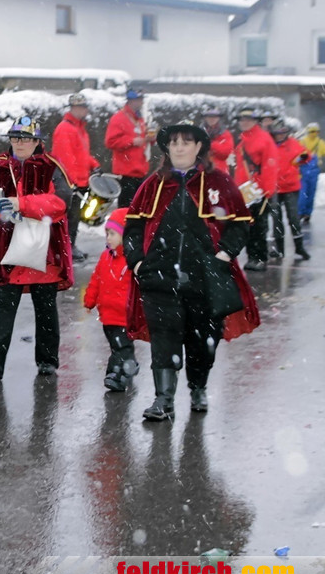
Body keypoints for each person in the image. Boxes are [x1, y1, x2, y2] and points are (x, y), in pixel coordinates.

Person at [124, 121, 260, 421]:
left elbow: (240, 225)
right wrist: (137, 262)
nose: (179, 148)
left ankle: (198, 387)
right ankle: (163, 399)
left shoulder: (219, 182)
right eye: (174, 143)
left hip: (205, 278)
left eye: (186, 142)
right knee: (164, 338)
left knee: (202, 341)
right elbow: (132, 228)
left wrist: (223, 255)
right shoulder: (153, 184)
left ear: (199, 147)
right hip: (159, 278)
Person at [0, 116, 73, 380]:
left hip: (44, 250)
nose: (20, 143)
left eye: (26, 138)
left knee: (46, 308)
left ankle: (47, 360)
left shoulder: (52, 167)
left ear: (37, 141)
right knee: (3, 306)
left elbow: (61, 201)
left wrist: (22, 204)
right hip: (6, 249)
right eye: (15, 138)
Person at [83, 207, 139, 392]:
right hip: (107, 315)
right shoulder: (105, 257)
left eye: (113, 234)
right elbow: (96, 279)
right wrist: (90, 300)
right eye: (107, 233)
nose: (108, 238)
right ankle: (129, 365)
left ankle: (116, 375)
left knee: (121, 347)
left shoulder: (131, 261)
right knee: (117, 346)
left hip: (124, 315)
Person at [51, 92, 100, 262]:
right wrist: (71, 183)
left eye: (85, 107)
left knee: (74, 217)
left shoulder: (80, 130)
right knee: (68, 217)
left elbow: (82, 154)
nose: (85, 110)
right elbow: (64, 159)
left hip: (79, 181)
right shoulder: (65, 129)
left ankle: (69, 246)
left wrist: (94, 165)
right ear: (73, 108)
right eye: (81, 107)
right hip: (70, 183)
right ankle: (65, 249)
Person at [232, 109, 278, 271]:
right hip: (245, 191)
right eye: (242, 119)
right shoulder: (242, 139)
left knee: (259, 226)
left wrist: (267, 190)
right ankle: (252, 256)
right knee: (248, 225)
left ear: (255, 121)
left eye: (248, 119)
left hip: (258, 190)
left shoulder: (263, 139)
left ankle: (260, 258)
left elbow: (270, 165)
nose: (244, 122)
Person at [268, 121, 311, 261]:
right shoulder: (269, 144)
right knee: (276, 219)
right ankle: (279, 248)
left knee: (293, 218)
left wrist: (300, 160)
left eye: (283, 133)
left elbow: (306, 155)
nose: (280, 136)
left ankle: (299, 247)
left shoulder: (293, 143)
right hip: (274, 187)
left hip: (291, 187)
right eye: (278, 133)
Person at [105, 89, 153, 207]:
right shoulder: (118, 118)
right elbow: (110, 142)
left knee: (139, 207)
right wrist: (131, 141)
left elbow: (142, 140)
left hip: (140, 171)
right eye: (139, 100)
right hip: (126, 173)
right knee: (126, 209)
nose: (142, 102)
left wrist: (149, 139)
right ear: (131, 101)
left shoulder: (140, 119)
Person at [201, 108, 234, 175]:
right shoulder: (199, 132)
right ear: (205, 118)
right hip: (201, 170)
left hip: (220, 171)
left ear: (219, 118)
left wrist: (211, 144)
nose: (212, 119)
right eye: (209, 116)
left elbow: (225, 153)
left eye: (214, 116)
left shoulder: (225, 134)